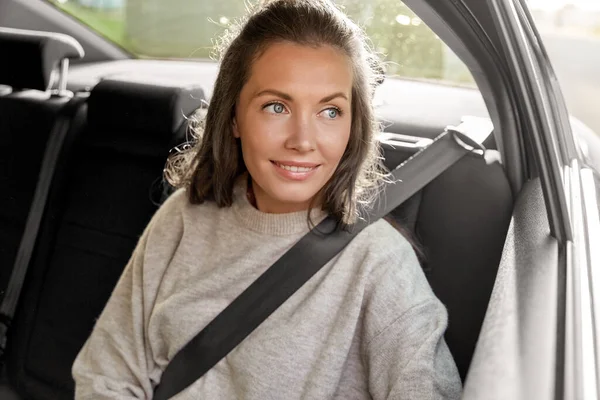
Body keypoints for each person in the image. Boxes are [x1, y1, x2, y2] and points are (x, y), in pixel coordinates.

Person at [72, 0, 462, 398]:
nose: (303, 141)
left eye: (330, 111)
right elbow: (106, 377)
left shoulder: (380, 265)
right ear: (234, 117)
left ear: (353, 125)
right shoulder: (184, 218)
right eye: (276, 106)